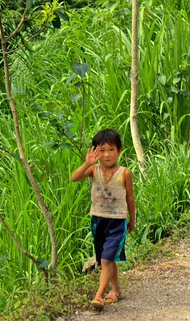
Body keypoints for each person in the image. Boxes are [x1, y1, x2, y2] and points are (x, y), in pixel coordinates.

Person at [71, 128, 136, 310]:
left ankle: (99, 296)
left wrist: (132, 220)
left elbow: (130, 198)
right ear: (95, 152)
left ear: (120, 150)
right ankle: (116, 291)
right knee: (106, 258)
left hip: (117, 221)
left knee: (107, 259)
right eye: (102, 150)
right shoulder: (93, 170)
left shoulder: (125, 173)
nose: (107, 155)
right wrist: (86, 164)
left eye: (111, 150)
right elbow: (74, 178)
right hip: (98, 220)